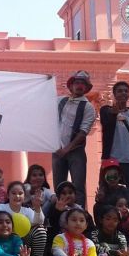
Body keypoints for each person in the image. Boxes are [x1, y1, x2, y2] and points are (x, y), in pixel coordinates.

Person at [52, 70, 97, 207]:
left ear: (86, 88)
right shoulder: (60, 101)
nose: (79, 86)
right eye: (76, 82)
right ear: (71, 86)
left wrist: (67, 149)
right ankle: (59, 216)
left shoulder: (88, 107)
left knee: (78, 188)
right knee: (58, 187)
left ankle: (81, 216)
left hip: (75, 151)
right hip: (57, 149)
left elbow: (83, 132)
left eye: (82, 84)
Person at [100, 81, 129, 199]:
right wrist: (114, 115)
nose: (123, 93)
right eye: (120, 91)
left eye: (126, 91)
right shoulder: (106, 110)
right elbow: (106, 125)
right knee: (111, 193)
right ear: (114, 94)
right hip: (113, 161)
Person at [0, 182, 50, 256]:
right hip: (5, 241)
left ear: (24, 196)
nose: (17, 196)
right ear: (8, 195)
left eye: (20, 193)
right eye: (14, 193)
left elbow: (39, 222)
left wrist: (37, 207)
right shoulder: (1, 208)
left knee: (40, 230)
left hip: (23, 242)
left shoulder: (27, 211)